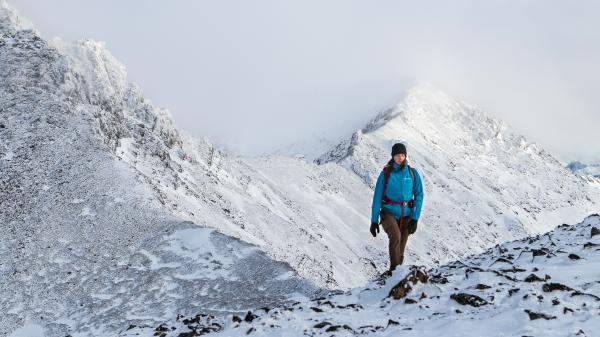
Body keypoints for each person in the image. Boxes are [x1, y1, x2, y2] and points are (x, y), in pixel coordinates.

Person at [370, 143, 424, 271]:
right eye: (397, 155)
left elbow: (419, 195)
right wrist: (373, 221)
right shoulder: (386, 174)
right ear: (392, 157)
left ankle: (398, 271)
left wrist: (415, 218)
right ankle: (394, 270)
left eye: (402, 155)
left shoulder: (412, 173)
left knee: (402, 243)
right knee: (395, 236)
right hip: (388, 213)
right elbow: (377, 198)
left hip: (407, 214)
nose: (400, 158)